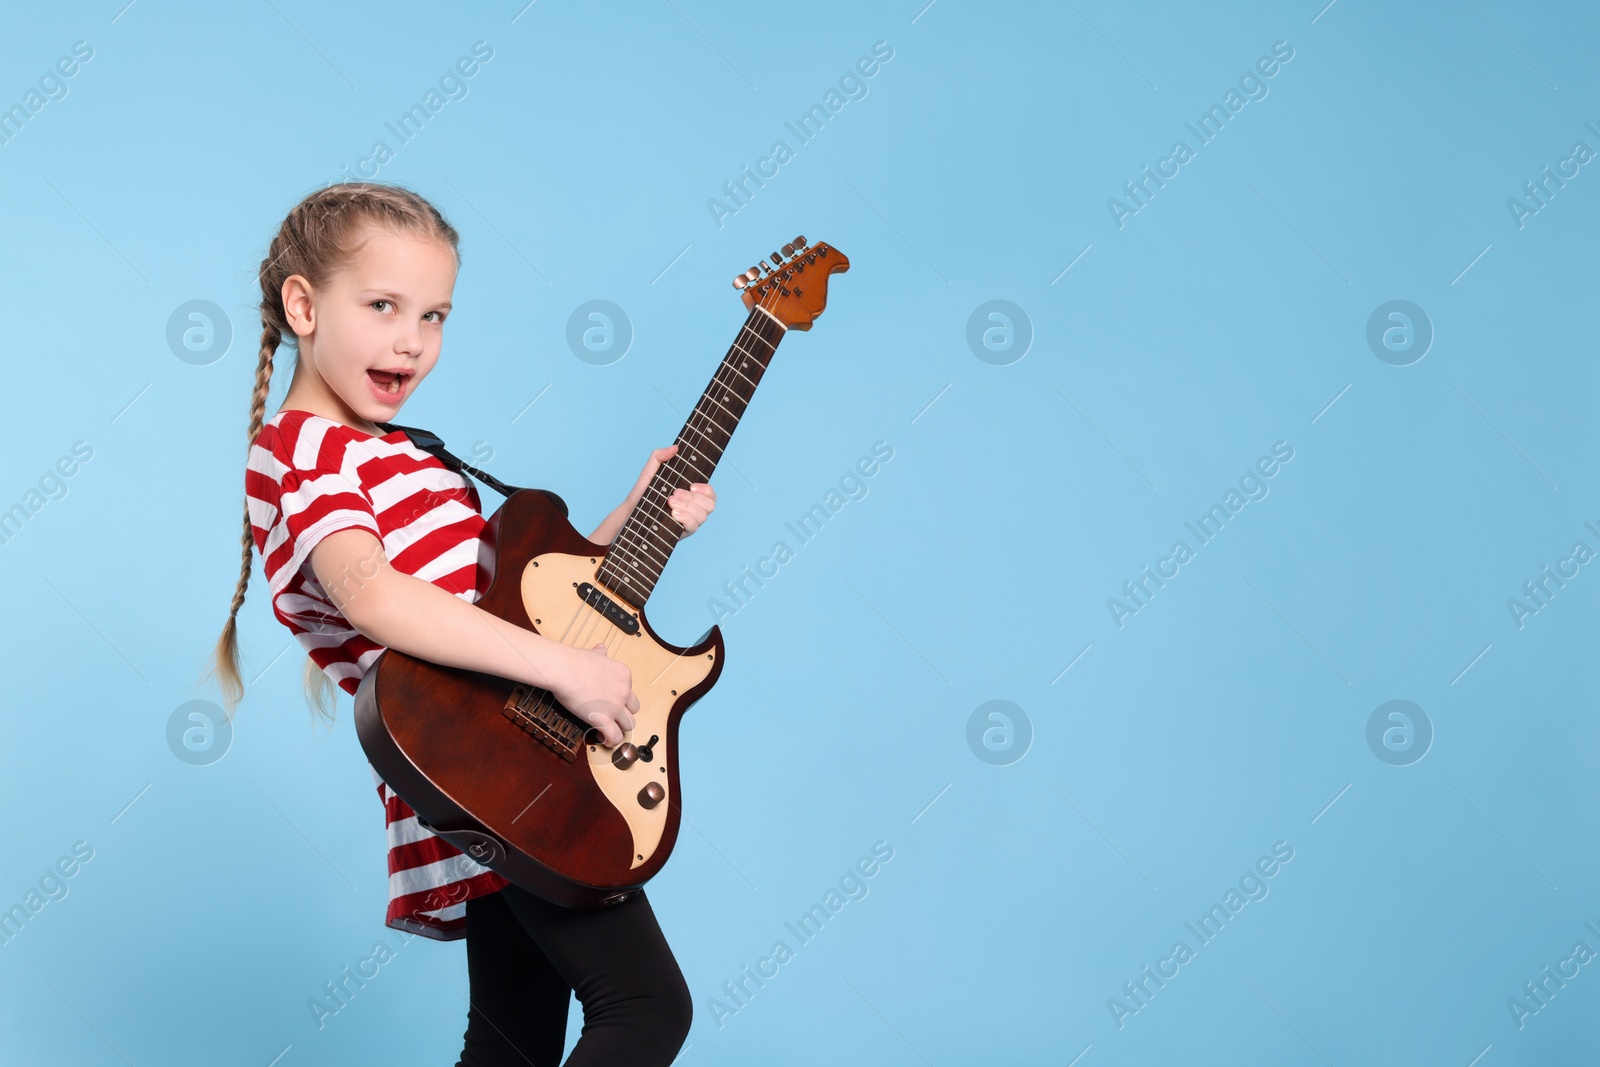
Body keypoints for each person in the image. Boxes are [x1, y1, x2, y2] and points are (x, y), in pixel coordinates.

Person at [205, 181, 713, 1066]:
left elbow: (511, 605)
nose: (412, 338)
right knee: (644, 1007)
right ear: (303, 305)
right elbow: (372, 594)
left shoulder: (409, 455)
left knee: (511, 1045)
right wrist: (564, 670)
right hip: (484, 762)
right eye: (383, 306)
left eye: (434, 315)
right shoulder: (300, 449)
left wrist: (635, 520)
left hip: (504, 751)